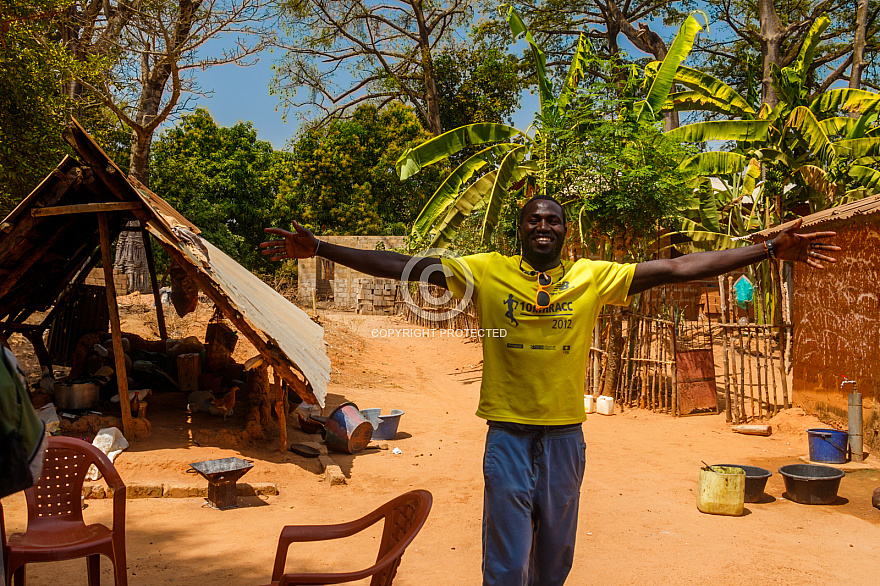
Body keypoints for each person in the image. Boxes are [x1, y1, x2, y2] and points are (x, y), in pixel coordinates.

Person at [261, 195, 839, 585]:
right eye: (534, 219)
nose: (544, 226)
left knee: (556, 555)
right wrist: (321, 248)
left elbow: (682, 268)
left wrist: (766, 249)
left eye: (553, 220)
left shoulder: (593, 276)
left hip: (565, 439)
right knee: (507, 557)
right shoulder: (486, 271)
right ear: (519, 229)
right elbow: (402, 265)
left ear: (565, 231)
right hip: (508, 437)